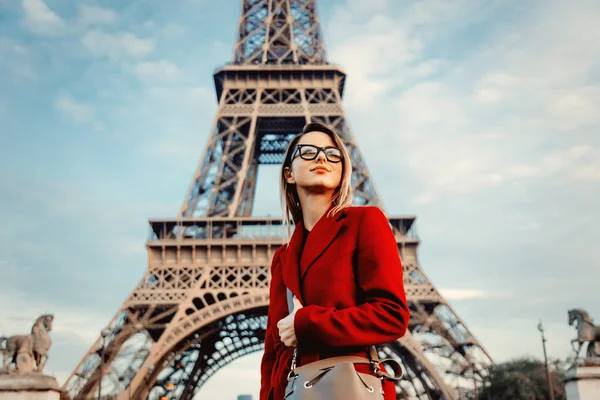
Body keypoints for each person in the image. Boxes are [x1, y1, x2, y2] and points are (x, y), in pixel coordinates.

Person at [259, 122, 410, 400]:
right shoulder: (283, 257)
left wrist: (307, 323)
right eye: (308, 151)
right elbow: (274, 351)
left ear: (342, 172)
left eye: (333, 153)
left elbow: (392, 315)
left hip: (349, 388)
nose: (321, 157)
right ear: (289, 173)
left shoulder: (365, 222)